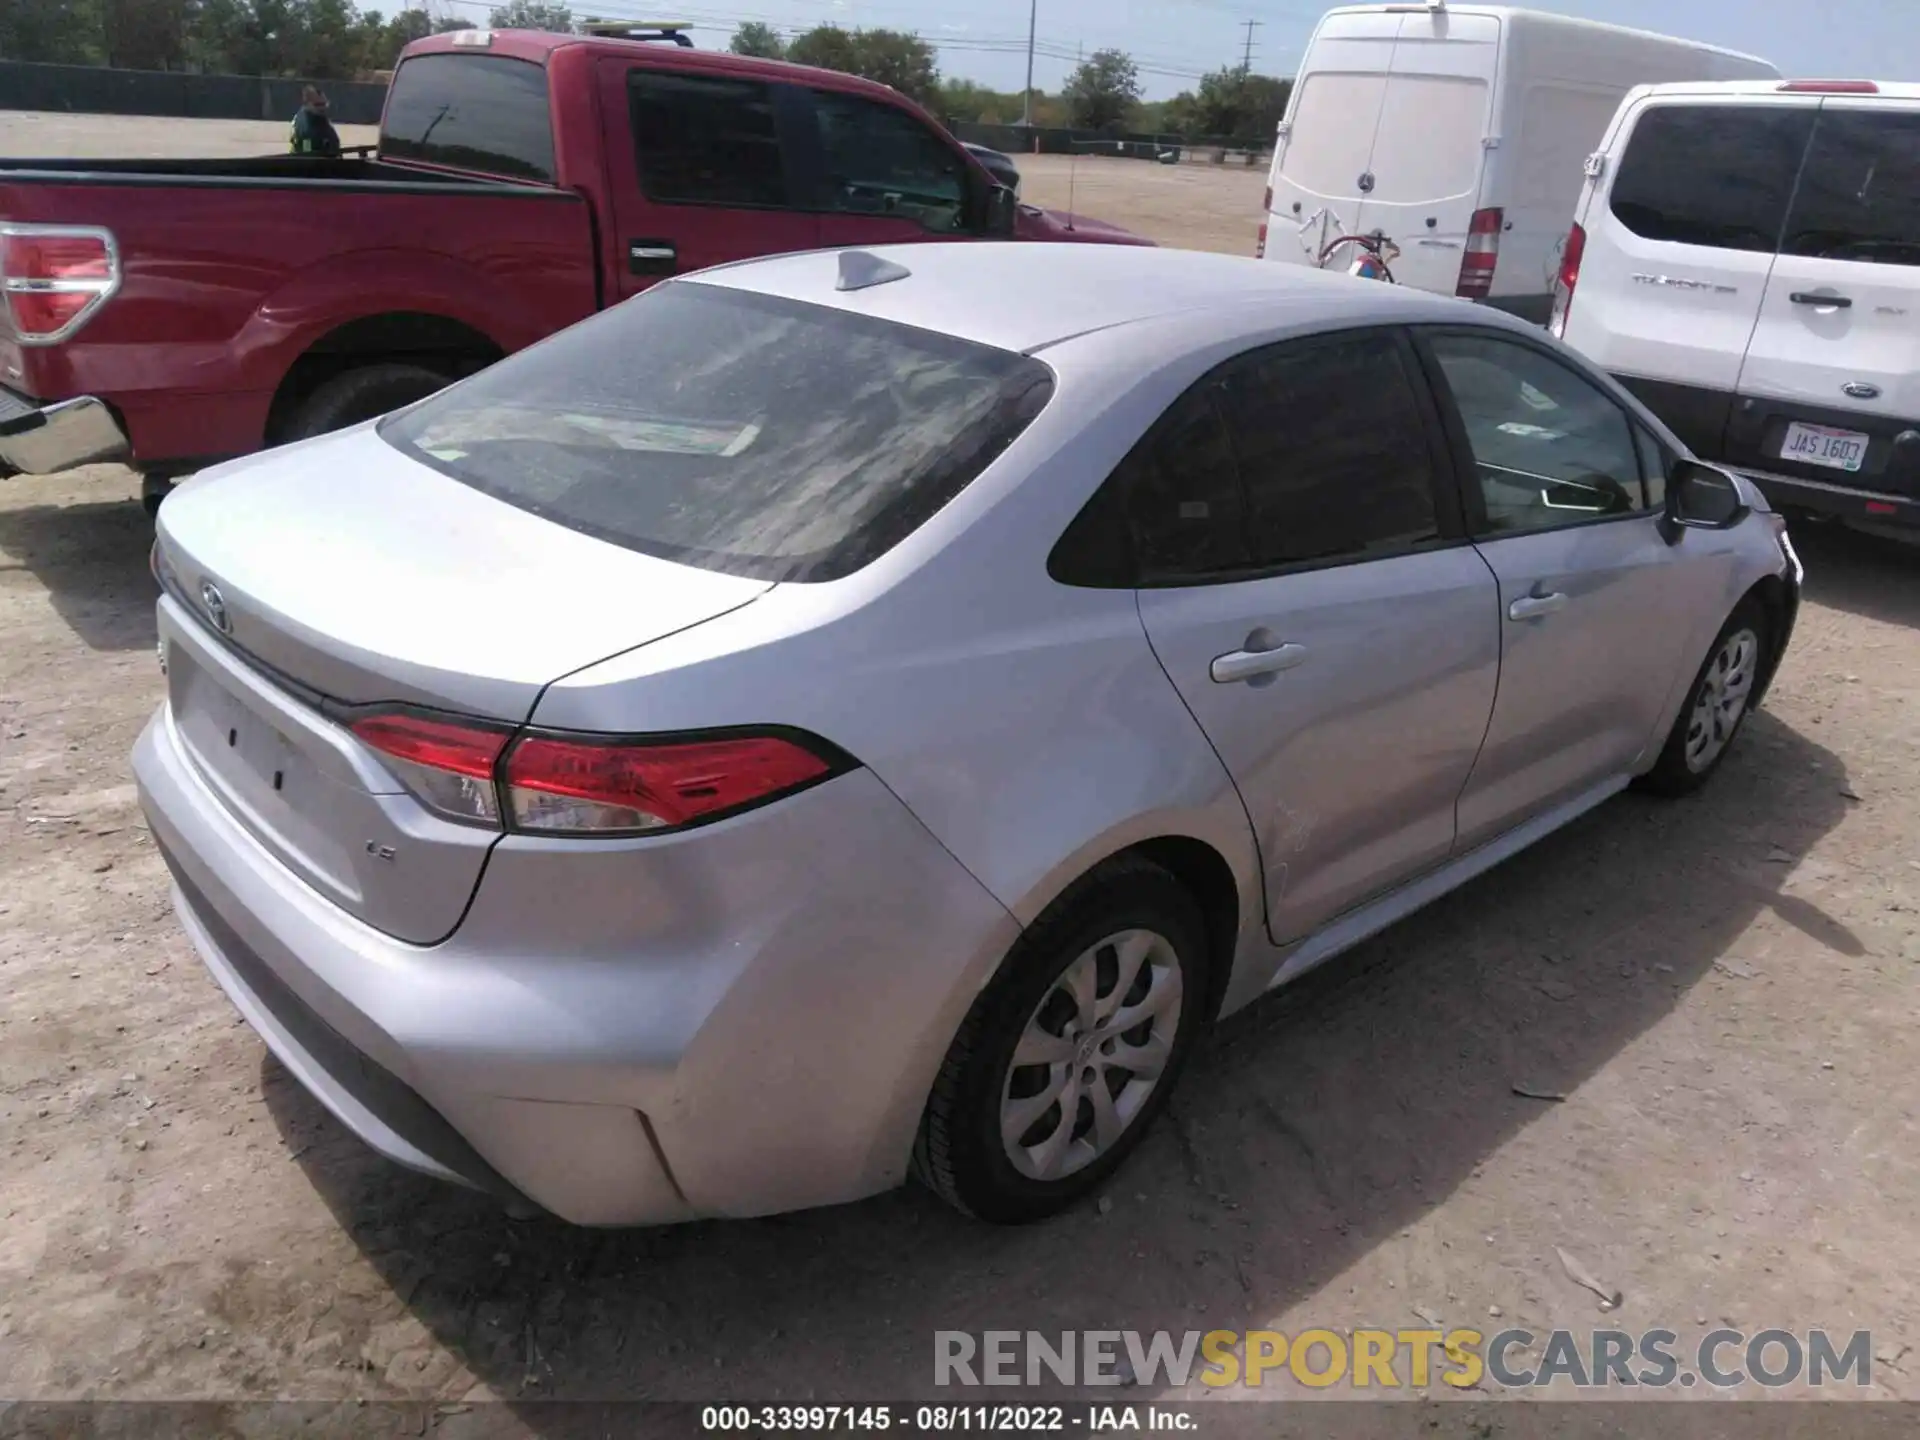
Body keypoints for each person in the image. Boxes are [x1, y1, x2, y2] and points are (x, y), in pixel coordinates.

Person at [289, 86, 342, 159]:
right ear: (307, 104)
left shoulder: (318, 117)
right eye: (318, 104)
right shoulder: (305, 126)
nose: (322, 107)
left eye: (324, 104)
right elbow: (306, 154)